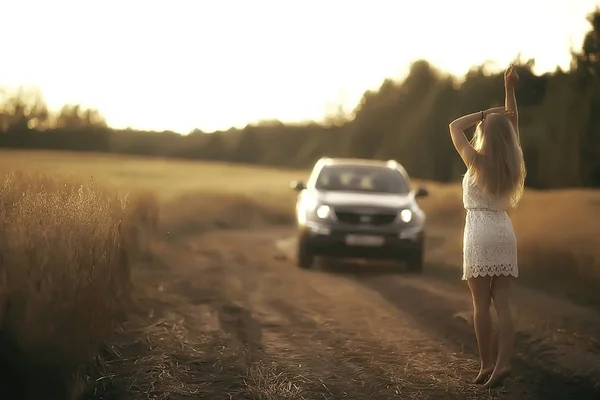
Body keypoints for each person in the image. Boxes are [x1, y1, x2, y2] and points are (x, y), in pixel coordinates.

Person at [448, 64, 525, 388]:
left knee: (480, 305)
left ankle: (485, 364)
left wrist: (483, 113)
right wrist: (509, 91)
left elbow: (453, 126)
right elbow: (514, 124)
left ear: (485, 133)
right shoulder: (511, 164)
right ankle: (503, 365)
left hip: (478, 233)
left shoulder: (475, 162)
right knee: (504, 304)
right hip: (504, 232)